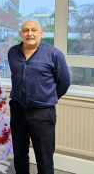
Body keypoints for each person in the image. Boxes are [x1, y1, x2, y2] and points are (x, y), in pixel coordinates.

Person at [8, 20, 70, 174]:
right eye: (26, 30)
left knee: (44, 159)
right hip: (17, 110)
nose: (30, 33)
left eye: (34, 30)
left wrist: (46, 97)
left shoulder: (54, 54)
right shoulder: (12, 52)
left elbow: (64, 82)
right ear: (20, 34)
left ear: (41, 33)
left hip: (42, 113)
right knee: (20, 156)